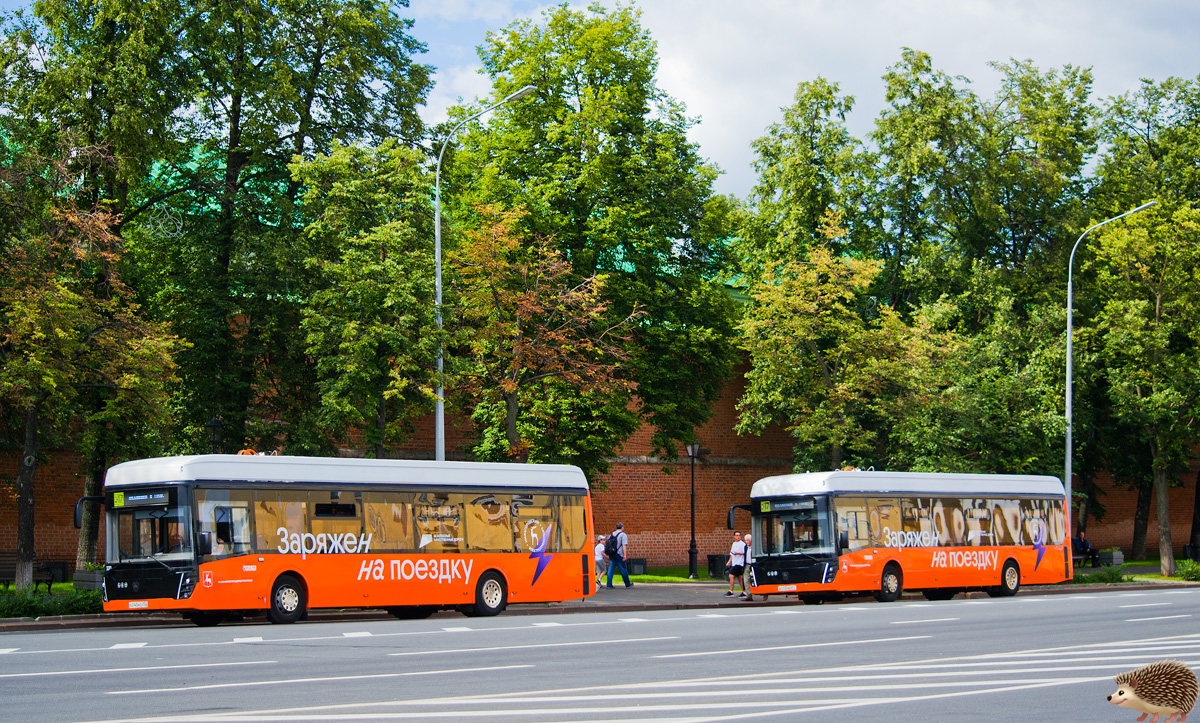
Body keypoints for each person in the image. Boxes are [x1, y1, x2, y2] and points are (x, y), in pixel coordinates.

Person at [606, 522, 632, 588]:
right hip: (619, 554)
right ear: (622, 527)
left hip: (612, 554)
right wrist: (625, 554)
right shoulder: (623, 535)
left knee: (610, 569)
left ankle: (609, 584)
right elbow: (624, 545)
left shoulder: (612, 534)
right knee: (623, 569)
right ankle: (627, 583)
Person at [725, 530, 746, 597]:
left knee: (731, 575)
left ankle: (731, 591)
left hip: (739, 563)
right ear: (734, 536)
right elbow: (732, 554)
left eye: (739, 535)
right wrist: (729, 561)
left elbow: (745, 552)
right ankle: (744, 591)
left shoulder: (742, 544)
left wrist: (738, 553)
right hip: (734, 563)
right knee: (740, 577)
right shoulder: (734, 544)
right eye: (737, 535)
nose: (738, 537)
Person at [742, 533, 754, 601]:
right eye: (745, 540)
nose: (746, 542)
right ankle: (749, 595)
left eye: (747, 540)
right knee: (746, 579)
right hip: (747, 564)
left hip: (753, 564)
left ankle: (763, 594)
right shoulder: (745, 547)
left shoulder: (754, 547)